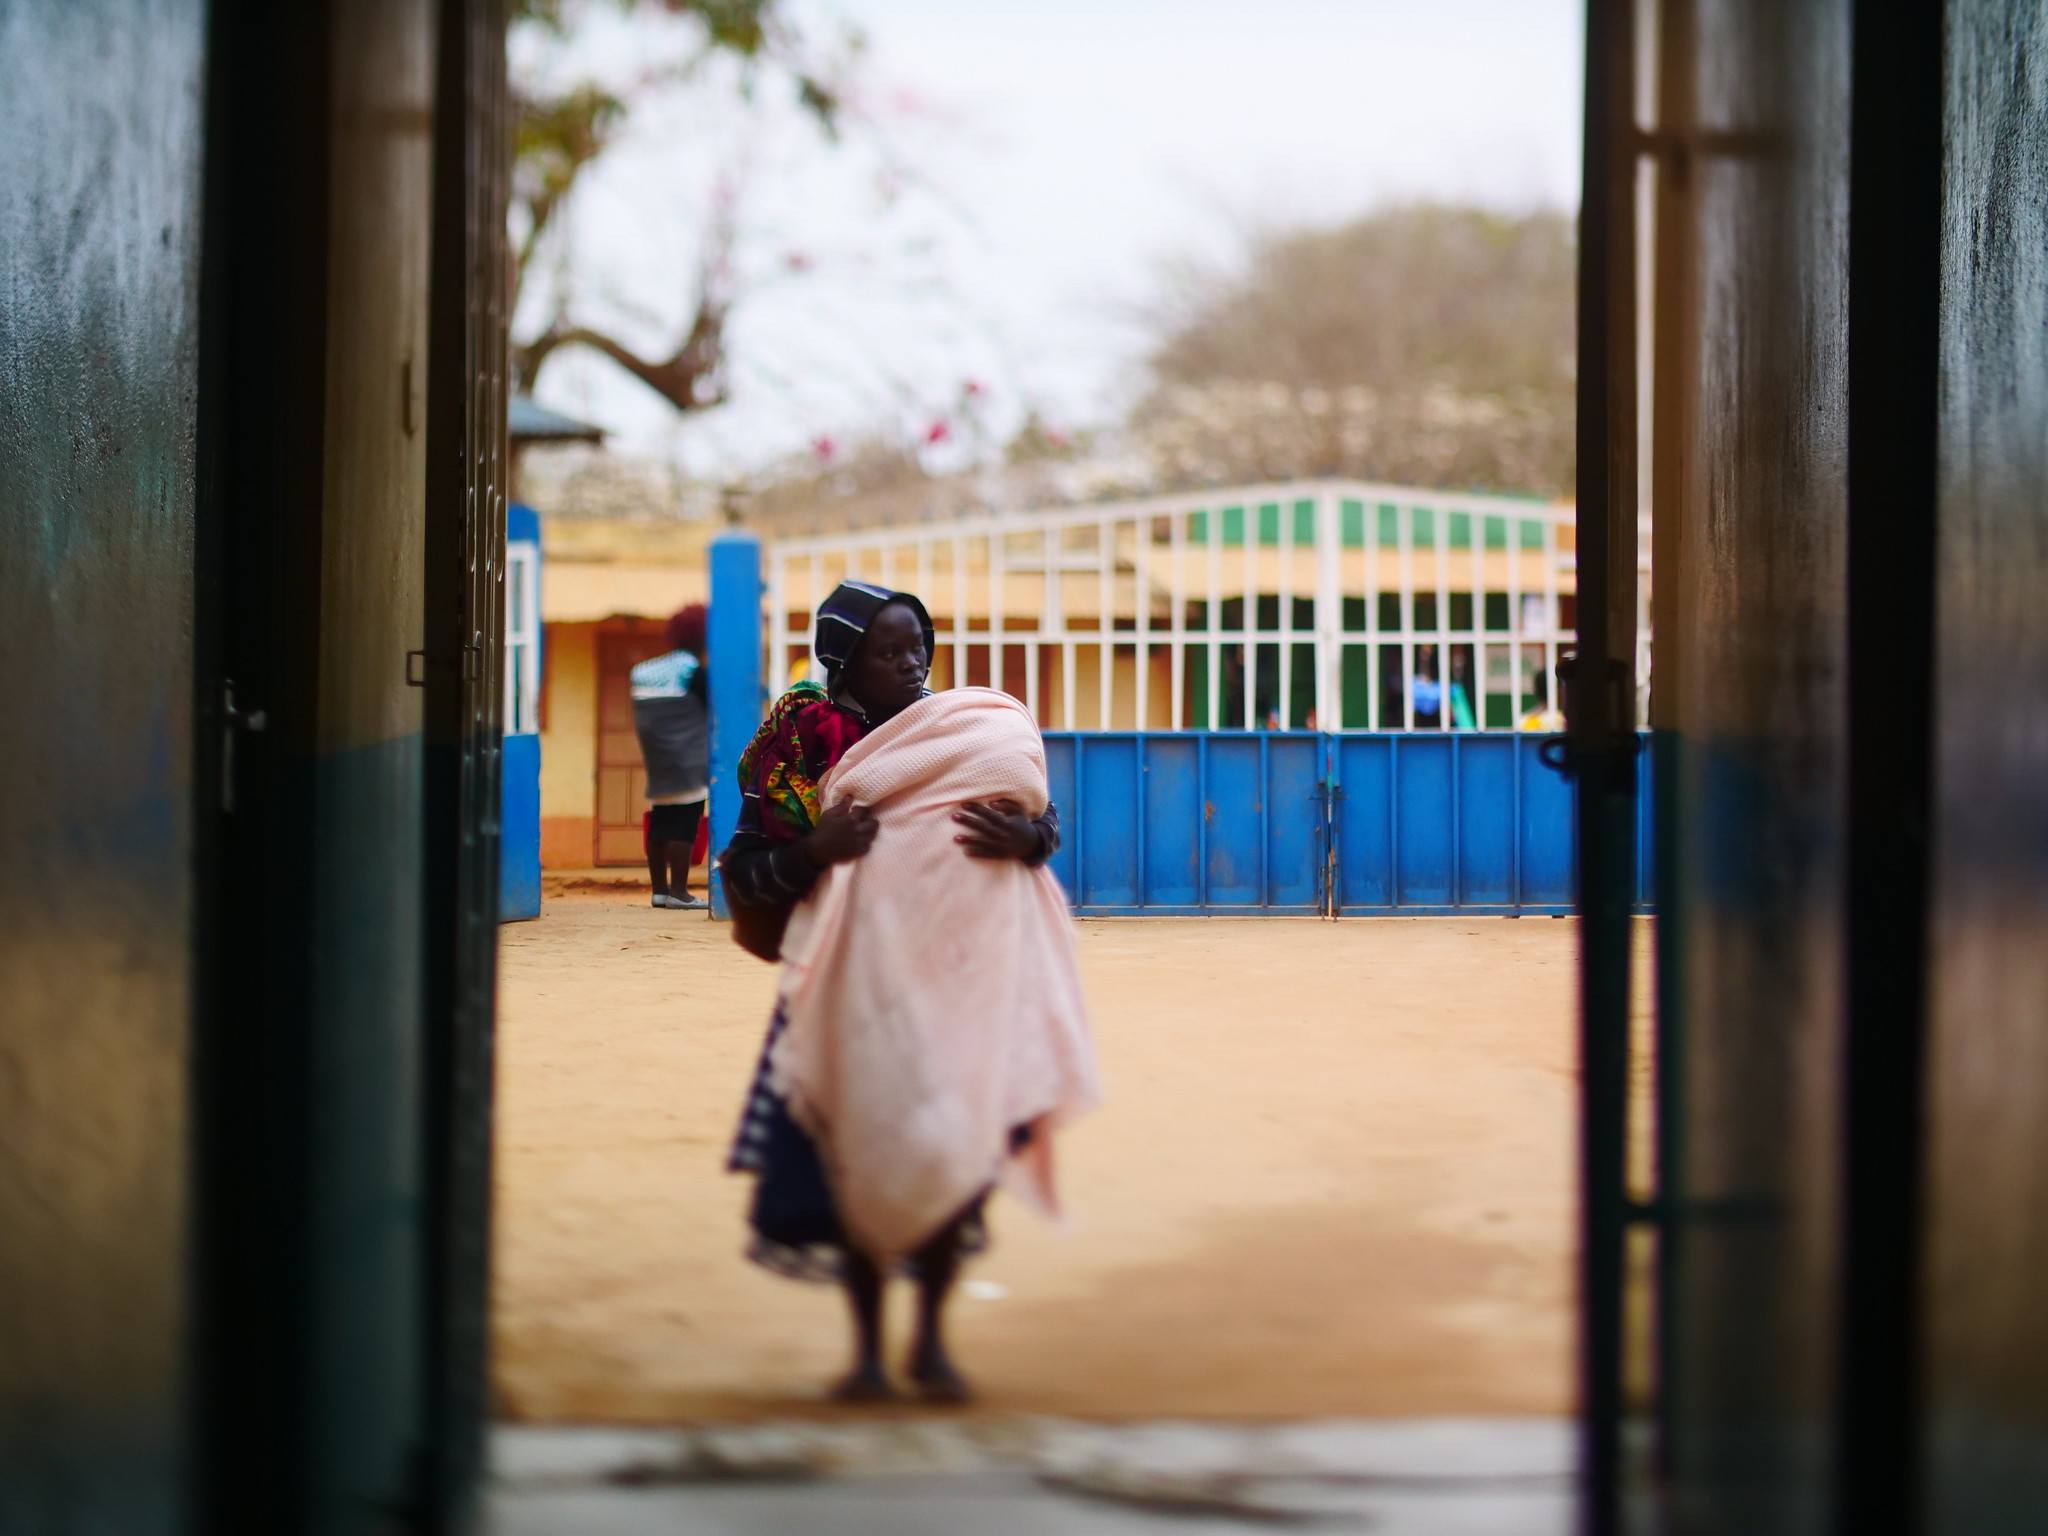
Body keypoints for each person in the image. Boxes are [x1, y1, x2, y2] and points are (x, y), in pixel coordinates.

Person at [718, 579, 1099, 1404]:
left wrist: (1031, 838)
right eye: (890, 651)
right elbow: (745, 870)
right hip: (854, 984)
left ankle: (928, 1341)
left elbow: (1038, 810)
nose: (913, 662)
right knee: (850, 1158)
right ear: (844, 663)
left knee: (948, 1151)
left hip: (958, 984)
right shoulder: (801, 742)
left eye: (919, 644)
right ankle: (864, 1353)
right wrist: (817, 848)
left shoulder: (961, 730)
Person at [631, 604, 710, 910]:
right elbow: (709, 708)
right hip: (688, 755)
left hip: (657, 756)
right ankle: (680, 892)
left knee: (661, 820)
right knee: (686, 823)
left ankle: (659, 891)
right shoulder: (694, 672)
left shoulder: (645, 671)